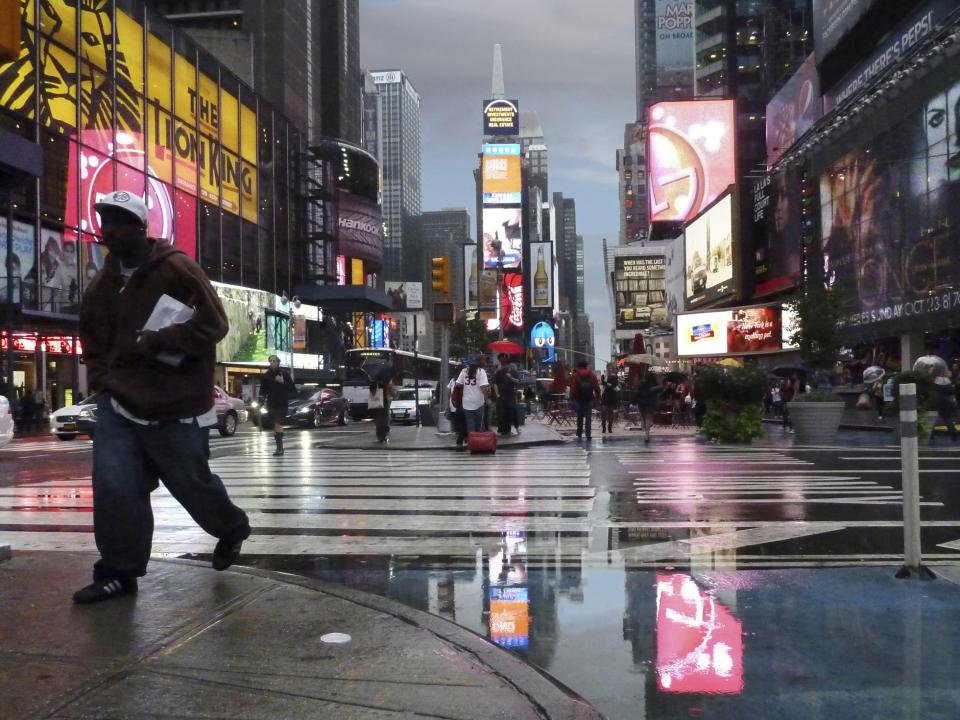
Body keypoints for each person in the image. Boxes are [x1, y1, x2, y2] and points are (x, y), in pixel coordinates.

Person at [74, 190, 250, 604]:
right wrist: (103, 381)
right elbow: (91, 337)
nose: (110, 230)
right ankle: (118, 572)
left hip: (175, 407)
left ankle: (231, 527)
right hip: (118, 405)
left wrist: (158, 341)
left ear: (141, 227)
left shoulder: (176, 268)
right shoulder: (104, 283)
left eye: (120, 221)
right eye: (105, 221)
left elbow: (215, 324)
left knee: (193, 486)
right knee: (115, 487)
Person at [259, 355, 295, 456]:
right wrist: (260, 402)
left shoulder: (284, 374)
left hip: (282, 403)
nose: (273, 363)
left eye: (275, 361)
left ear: (278, 362)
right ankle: (278, 447)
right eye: (271, 361)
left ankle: (280, 449)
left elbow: (292, 388)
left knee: (278, 423)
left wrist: (283, 382)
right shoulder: (266, 375)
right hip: (271, 403)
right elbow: (262, 390)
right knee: (275, 425)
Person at [455, 355, 490, 435]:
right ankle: (480, 442)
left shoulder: (464, 371)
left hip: (467, 402)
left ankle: (472, 441)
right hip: (478, 402)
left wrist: (467, 386)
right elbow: (483, 387)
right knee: (480, 424)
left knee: (470, 423)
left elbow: (458, 384)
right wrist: (487, 399)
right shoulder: (481, 371)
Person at [570, 360, 601, 440]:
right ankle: (588, 433)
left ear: (578, 366)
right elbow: (596, 387)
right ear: (586, 366)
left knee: (579, 416)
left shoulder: (575, 375)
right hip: (589, 398)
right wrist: (598, 397)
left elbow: (573, 387)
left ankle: (579, 432)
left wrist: (572, 397)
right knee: (588, 416)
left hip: (579, 398)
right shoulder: (592, 375)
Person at [633, 364, 662, 444]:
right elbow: (635, 385)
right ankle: (647, 428)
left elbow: (660, 386)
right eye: (642, 366)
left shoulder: (653, 375)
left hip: (650, 397)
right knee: (644, 416)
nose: (644, 368)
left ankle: (647, 435)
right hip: (641, 398)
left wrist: (654, 388)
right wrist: (640, 382)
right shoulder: (638, 375)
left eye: (645, 366)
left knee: (648, 415)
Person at [493, 359, 520, 436]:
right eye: (502, 364)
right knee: (501, 413)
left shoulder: (513, 372)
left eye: (505, 364)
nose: (504, 366)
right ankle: (500, 430)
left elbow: (517, 381)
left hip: (510, 397)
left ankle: (508, 431)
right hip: (501, 397)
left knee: (510, 413)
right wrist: (497, 394)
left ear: (508, 365)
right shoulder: (498, 373)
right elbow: (495, 384)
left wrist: (510, 377)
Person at [368, 373, 395, 444]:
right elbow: (392, 393)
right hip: (382, 403)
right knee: (384, 420)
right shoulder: (383, 383)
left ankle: (381, 436)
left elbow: (371, 391)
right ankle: (382, 436)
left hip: (377, 405)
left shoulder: (373, 381)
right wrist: (387, 385)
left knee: (379, 421)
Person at [934, 372, 959, 442]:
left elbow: (935, 389)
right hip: (950, 403)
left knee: (947, 419)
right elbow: (952, 392)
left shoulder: (937, 383)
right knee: (948, 418)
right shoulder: (948, 382)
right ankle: (953, 433)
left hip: (942, 403)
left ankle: (954, 433)